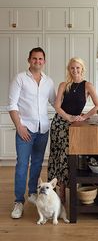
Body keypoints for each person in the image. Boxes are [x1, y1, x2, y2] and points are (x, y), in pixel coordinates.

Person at [8, 47, 56, 219]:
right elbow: (12, 105)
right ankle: (18, 202)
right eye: (34, 58)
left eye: (40, 59)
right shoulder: (20, 79)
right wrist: (19, 126)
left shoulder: (48, 81)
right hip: (25, 129)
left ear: (44, 61)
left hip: (43, 129)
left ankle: (32, 195)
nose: (37, 61)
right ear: (29, 60)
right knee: (22, 165)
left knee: (36, 164)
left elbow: (55, 102)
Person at [48, 57, 98, 203]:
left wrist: (84, 117)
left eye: (78, 68)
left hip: (74, 126)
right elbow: (57, 106)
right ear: (69, 69)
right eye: (72, 68)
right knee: (57, 157)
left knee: (69, 157)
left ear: (82, 69)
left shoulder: (88, 86)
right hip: (59, 125)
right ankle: (61, 192)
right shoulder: (63, 85)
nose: (75, 70)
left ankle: (69, 189)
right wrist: (69, 118)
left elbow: (97, 105)